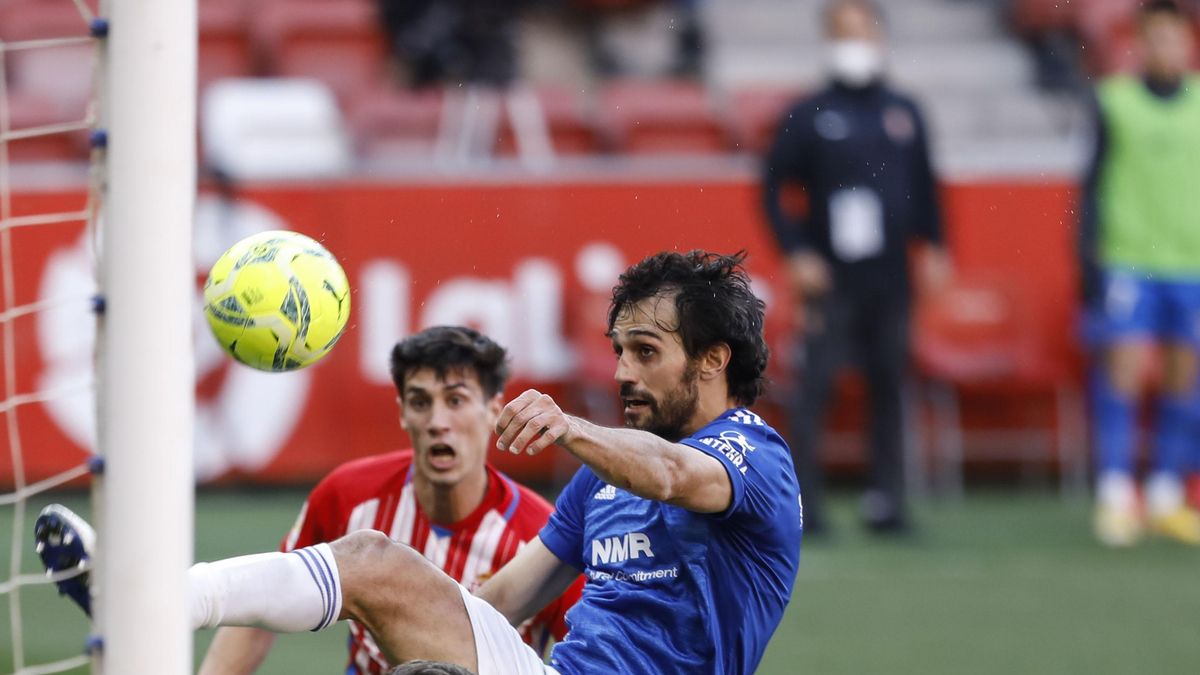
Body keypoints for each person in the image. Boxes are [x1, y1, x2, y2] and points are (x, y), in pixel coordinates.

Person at [40, 250, 801, 674]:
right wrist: (402, 623)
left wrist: (570, 427)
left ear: (711, 360)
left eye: (645, 352)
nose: (624, 373)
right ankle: (149, 602)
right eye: (618, 352)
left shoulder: (754, 458)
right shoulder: (598, 484)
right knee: (374, 562)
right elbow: (498, 600)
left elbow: (671, 474)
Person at [195, 326, 582, 673]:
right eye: (420, 402)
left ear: (493, 410)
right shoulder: (348, 495)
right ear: (401, 413)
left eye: (456, 400)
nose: (437, 421)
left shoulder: (543, 539)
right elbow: (267, 602)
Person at [761, 0, 950, 535]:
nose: (852, 40)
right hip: (831, 274)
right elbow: (774, 189)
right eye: (840, 31)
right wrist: (796, 251)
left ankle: (886, 500)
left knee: (889, 381)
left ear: (879, 34)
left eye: (860, 29)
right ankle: (805, 505)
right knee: (816, 384)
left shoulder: (903, 110)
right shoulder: (809, 113)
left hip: (889, 273)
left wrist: (933, 244)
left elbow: (926, 183)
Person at [1078, 0, 1200, 547]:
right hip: (1129, 258)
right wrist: (1087, 256)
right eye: (1156, 39)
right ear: (1139, 44)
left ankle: (1166, 494)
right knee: (1124, 371)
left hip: (1191, 261)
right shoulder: (1115, 102)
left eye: (1175, 39)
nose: (1166, 49)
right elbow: (1092, 182)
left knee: (1181, 374)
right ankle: (1115, 493)